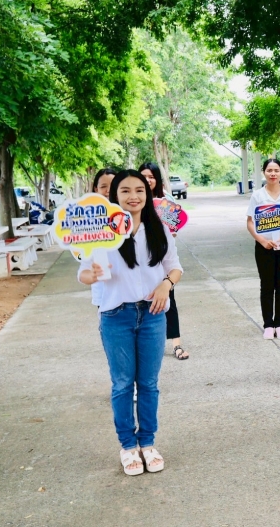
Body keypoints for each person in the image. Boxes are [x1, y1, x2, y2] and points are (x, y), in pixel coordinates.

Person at [78, 169, 183, 475]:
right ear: (115, 196)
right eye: (125, 191)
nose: (133, 196)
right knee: (123, 384)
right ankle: (128, 446)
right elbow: (83, 273)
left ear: (147, 194)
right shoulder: (101, 232)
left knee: (148, 383)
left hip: (152, 315)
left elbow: (175, 267)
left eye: (139, 190)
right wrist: (92, 275)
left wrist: (166, 285)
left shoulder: (158, 230)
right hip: (116, 316)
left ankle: (147, 443)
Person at [139, 162, 188, 360]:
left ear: (157, 180)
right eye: (143, 176)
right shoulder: (133, 201)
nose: (147, 180)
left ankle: (176, 344)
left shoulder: (166, 202)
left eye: (151, 176)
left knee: (169, 299)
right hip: (139, 260)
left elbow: (174, 227)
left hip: (163, 258)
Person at [246, 158, 280, 339]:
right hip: (264, 247)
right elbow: (250, 222)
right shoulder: (258, 196)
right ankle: (268, 324)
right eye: (269, 170)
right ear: (264, 173)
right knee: (267, 286)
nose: (273, 174)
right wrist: (262, 241)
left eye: (276, 170)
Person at [88, 168, 117, 307]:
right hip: (104, 292)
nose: (108, 191)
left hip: (132, 293)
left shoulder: (130, 214)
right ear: (96, 189)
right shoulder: (87, 218)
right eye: (103, 186)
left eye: (113, 185)